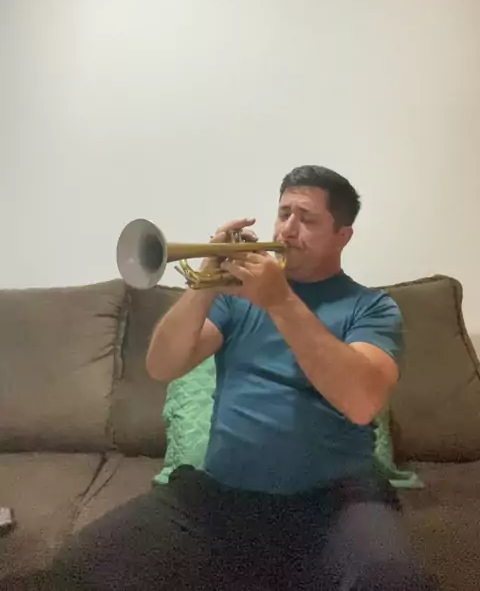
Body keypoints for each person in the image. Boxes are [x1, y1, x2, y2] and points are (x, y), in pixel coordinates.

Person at [8, 166, 437, 591]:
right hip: (220, 496)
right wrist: (206, 282)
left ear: (343, 235)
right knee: (80, 566)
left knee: (392, 580)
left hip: (336, 501)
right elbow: (162, 366)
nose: (287, 229)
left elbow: (362, 401)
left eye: (307, 219)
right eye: (283, 213)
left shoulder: (371, 308)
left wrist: (281, 302)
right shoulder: (236, 300)